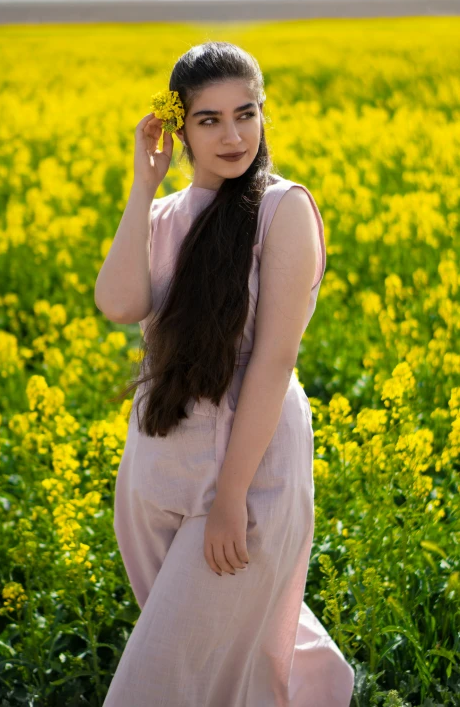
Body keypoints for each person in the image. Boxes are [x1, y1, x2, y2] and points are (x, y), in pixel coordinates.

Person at [95, 41, 355, 706]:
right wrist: (143, 182)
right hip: (157, 475)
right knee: (221, 670)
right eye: (209, 120)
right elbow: (119, 304)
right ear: (179, 128)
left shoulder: (282, 208)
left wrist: (231, 497)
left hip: (250, 477)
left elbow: (273, 362)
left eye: (246, 113)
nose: (234, 134)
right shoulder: (162, 215)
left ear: (264, 114)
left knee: (155, 685)